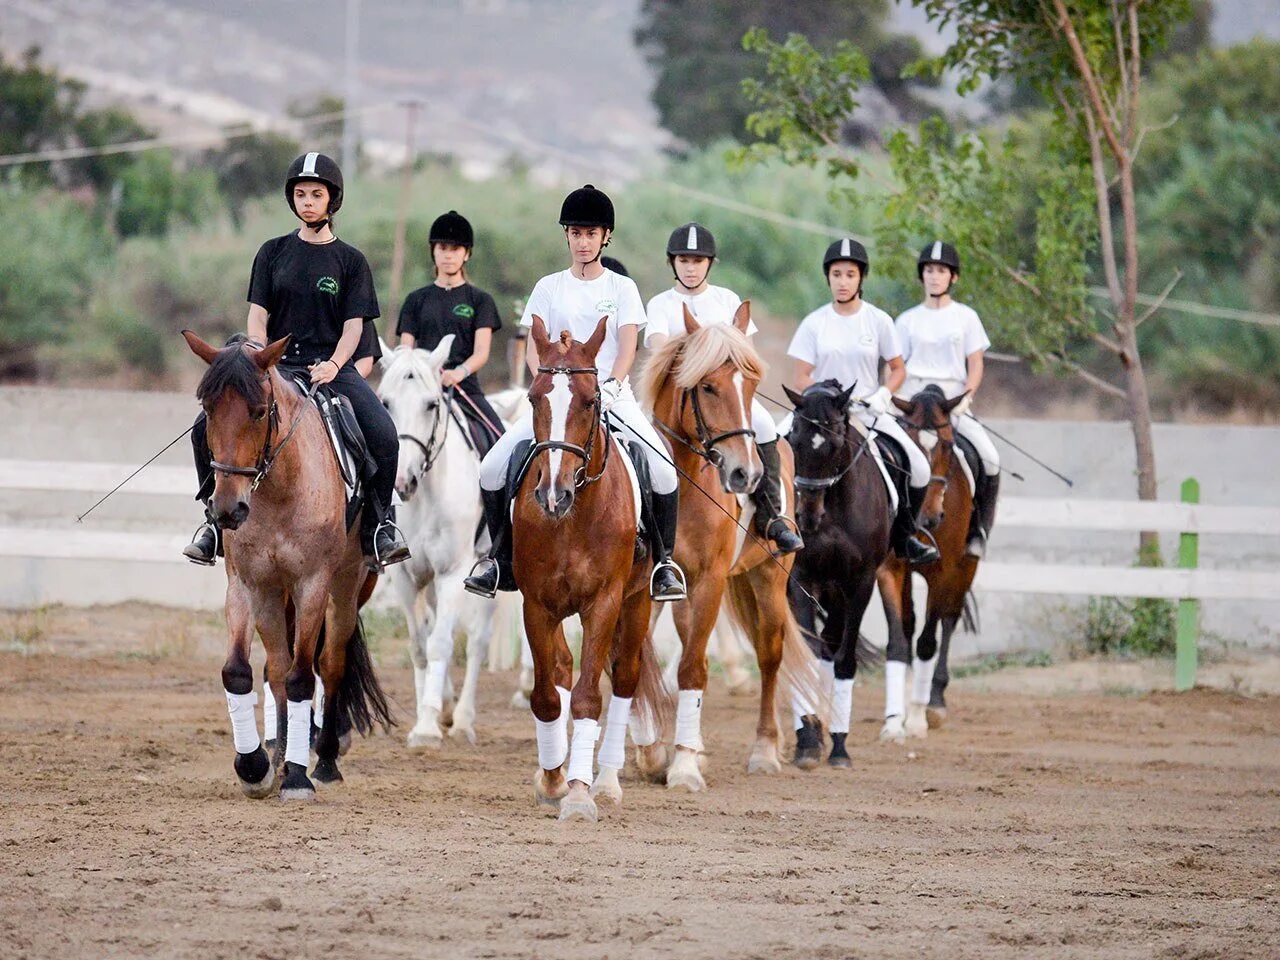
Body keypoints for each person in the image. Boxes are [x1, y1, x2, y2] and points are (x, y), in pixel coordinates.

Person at [183, 152, 409, 568]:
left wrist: (336, 365)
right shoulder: (272, 253)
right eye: (301, 194)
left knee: (384, 432)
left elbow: (354, 328)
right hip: (275, 367)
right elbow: (258, 313)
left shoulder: (351, 261)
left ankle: (380, 525)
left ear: (331, 201)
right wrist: (256, 352)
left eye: (316, 194)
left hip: (329, 370)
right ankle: (213, 523)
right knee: (203, 426)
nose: (307, 201)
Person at [463, 184, 686, 602]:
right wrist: (545, 383)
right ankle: (500, 559)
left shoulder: (621, 288)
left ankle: (663, 564)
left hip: (609, 394)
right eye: (576, 233)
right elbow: (535, 343)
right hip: (557, 399)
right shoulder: (549, 287)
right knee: (492, 467)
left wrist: (613, 385)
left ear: (605, 237)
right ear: (567, 235)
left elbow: (627, 343)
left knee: (663, 471)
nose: (583, 242)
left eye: (591, 234)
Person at [645, 221, 803, 554]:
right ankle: (642, 524)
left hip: (726, 395)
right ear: (672, 263)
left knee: (763, 426)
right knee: (640, 441)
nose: (690, 268)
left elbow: (746, 353)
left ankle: (773, 515)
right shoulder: (661, 303)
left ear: (709, 264)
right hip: (677, 401)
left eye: (697, 261)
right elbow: (661, 352)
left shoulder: (726, 299)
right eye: (684, 260)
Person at [788, 238, 939, 565]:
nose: (842, 282)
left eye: (849, 275)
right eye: (837, 274)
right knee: (772, 444)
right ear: (828, 277)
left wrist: (883, 394)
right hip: (820, 415)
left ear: (860, 279)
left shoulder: (878, 321)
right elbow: (801, 376)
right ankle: (773, 524)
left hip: (866, 411)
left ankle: (905, 536)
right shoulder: (814, 322)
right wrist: (822, 400)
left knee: (919, 465)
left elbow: (898, 369)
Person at [895, 241, 1000, 557]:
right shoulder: (907, 320)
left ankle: (977, 531)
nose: (934, 276)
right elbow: (897, 366)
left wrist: (967, 396)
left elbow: (976, 363)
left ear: (952, 277)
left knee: (990, 458)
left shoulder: (966, 317)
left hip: (951, 404)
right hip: (912, 405)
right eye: (929, 270)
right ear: (922, 275)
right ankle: (891, 528)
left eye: (941, 271)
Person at [396, 210, 505, 455]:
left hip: (464, 388)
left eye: (455, 249)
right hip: (422, 389)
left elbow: (481, 353)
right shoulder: (415, 300)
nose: (448, 255)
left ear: (466, 254)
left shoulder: (480, 300)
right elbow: (406, 352)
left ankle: (501, 493)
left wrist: (458, 373)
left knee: (501, 442)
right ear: (433, 251)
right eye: (443, 248)